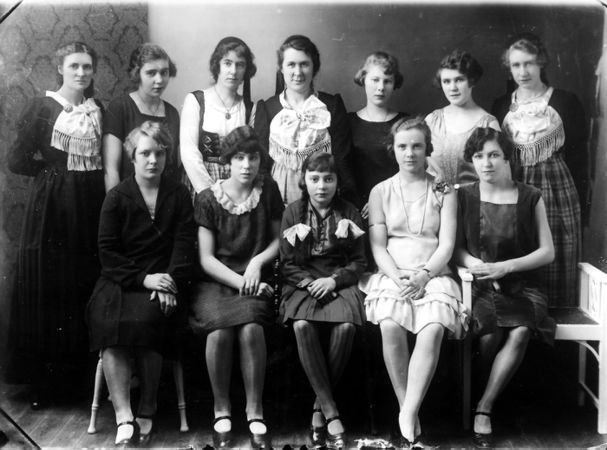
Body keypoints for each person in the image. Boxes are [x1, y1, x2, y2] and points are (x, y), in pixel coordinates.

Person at [359, 117, 468, 448]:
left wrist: (424, 275)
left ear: (427, 149)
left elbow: (446, 245)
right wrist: (396, 277)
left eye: (417, 146)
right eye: (403, 146)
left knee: (433, 327)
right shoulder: (380, 191)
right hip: (393, 273)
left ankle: (407, 412)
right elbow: (378, 246)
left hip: (432, 273)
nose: (410, 153)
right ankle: (408, 411)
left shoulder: (443, 191)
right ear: (393, 149)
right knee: (390, 324)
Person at [7, 41, 105, 408]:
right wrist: (52, 174)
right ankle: (45, 385)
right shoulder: (43, 107)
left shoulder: (98, 110)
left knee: (84, 283)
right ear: (60, 68)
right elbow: (16, 160)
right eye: (74, 66)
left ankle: (82, 381)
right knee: (51, 288)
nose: (81, 73)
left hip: (90, 205)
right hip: (52, 210)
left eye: (87, 67)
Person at [86, 121, 195, 446]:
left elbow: (184, 244)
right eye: (145, 153)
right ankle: (124, 417)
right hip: (122, 279)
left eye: (159, 153)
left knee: (148, 319)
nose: (153, 160)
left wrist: (169, 283)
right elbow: (107, 252)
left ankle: (148, 405)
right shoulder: (117, 197)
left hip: (166, 278)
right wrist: (144, 279)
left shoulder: (178, 194)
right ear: (132, 157)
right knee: (111, 324)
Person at [456, 127, 555, 448]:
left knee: (521, 330)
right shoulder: (464, 196)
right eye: (479, 156)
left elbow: (547, 252)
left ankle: (484, 407)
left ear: (507, 158)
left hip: (523, 285)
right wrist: (480, 267)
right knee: (489, 335)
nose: (486, 163)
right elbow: (456, 249)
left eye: (494, 155)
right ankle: (482, 393)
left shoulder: (530, 196)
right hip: (480, 285)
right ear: (471, 160)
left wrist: (506, 267)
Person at [189, 126, 283, 449]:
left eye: (253, 157)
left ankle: (255, 411)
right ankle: (221, 410)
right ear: (227, 161)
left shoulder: (268, 190)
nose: (247, 165)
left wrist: (256, 263)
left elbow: (277, 240)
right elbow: (206, 259)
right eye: (239, 158)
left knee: (251, 329)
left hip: (255, 279)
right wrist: (243, 282)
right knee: (219, 332)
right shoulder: (208, 198)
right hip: (217, 283)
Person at [492, 33, 588, 307]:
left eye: (529, 63)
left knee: (556, 250)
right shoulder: (501, 105)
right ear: (509, 67)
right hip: (516, 185)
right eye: (516, 65)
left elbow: (579, 158)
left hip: (556, 189)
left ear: (541, 63)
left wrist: (582, 205)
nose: (523, 71)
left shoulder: (565, 101)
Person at [279, 152, 367, 449]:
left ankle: (319, 409)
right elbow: (287, 264)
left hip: (338, 280)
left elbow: (359, 262)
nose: (321, 186)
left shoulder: (349, 212)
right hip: (302, 282)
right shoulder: (293, 212)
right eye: (314, 178)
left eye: (328, 179)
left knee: (346, 327)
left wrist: (333, 280)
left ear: (337, 182)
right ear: (304, 180)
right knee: (301, 325)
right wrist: (309, 282)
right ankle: (331, 412)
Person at [254, 34, 357, 206]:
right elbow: (261, 165)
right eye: (291, 64)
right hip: (278, 200)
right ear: (281, 68)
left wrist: (349, 204)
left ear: (314, 67)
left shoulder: (331, 105)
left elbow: (342, 158)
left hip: (323, 199)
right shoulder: (267, 108)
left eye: (304, 64)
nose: (298, 72)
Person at [181, 36, 257, 197]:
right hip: (201, 184)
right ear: (217, 66)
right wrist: (210, 193)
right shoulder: (196, 101)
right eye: (227, 63)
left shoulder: (250, 108)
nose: (233, 71)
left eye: (240, 65)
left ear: (246, 70)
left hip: (237, 187)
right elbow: (189, 153)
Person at [103, 43, 180, 191]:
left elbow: (173, 166)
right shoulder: (120, 107)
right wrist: (117, 203)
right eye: (151, 73)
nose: (159, 80)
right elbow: (111, 170)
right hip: (129, 198)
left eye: (164, 72)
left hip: (165, 198)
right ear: (137, 74)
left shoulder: (172, 113)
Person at [425, 49, 500, 186]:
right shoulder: (432, 120)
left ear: (471, 81)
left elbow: (498, 178)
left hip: (474, 198)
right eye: (446, 81)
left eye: (459, 80)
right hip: (435, 196)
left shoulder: (488, 124)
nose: (452, 87)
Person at [349, 51, 407, 219]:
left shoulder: (404, 123)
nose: (381, 87)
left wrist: (383, 199)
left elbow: (413, 170)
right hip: (357, 210)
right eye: (375, 80)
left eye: (387, 81)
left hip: (398, 207)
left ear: (394, 84)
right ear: (363, 80)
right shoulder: (348, 122)